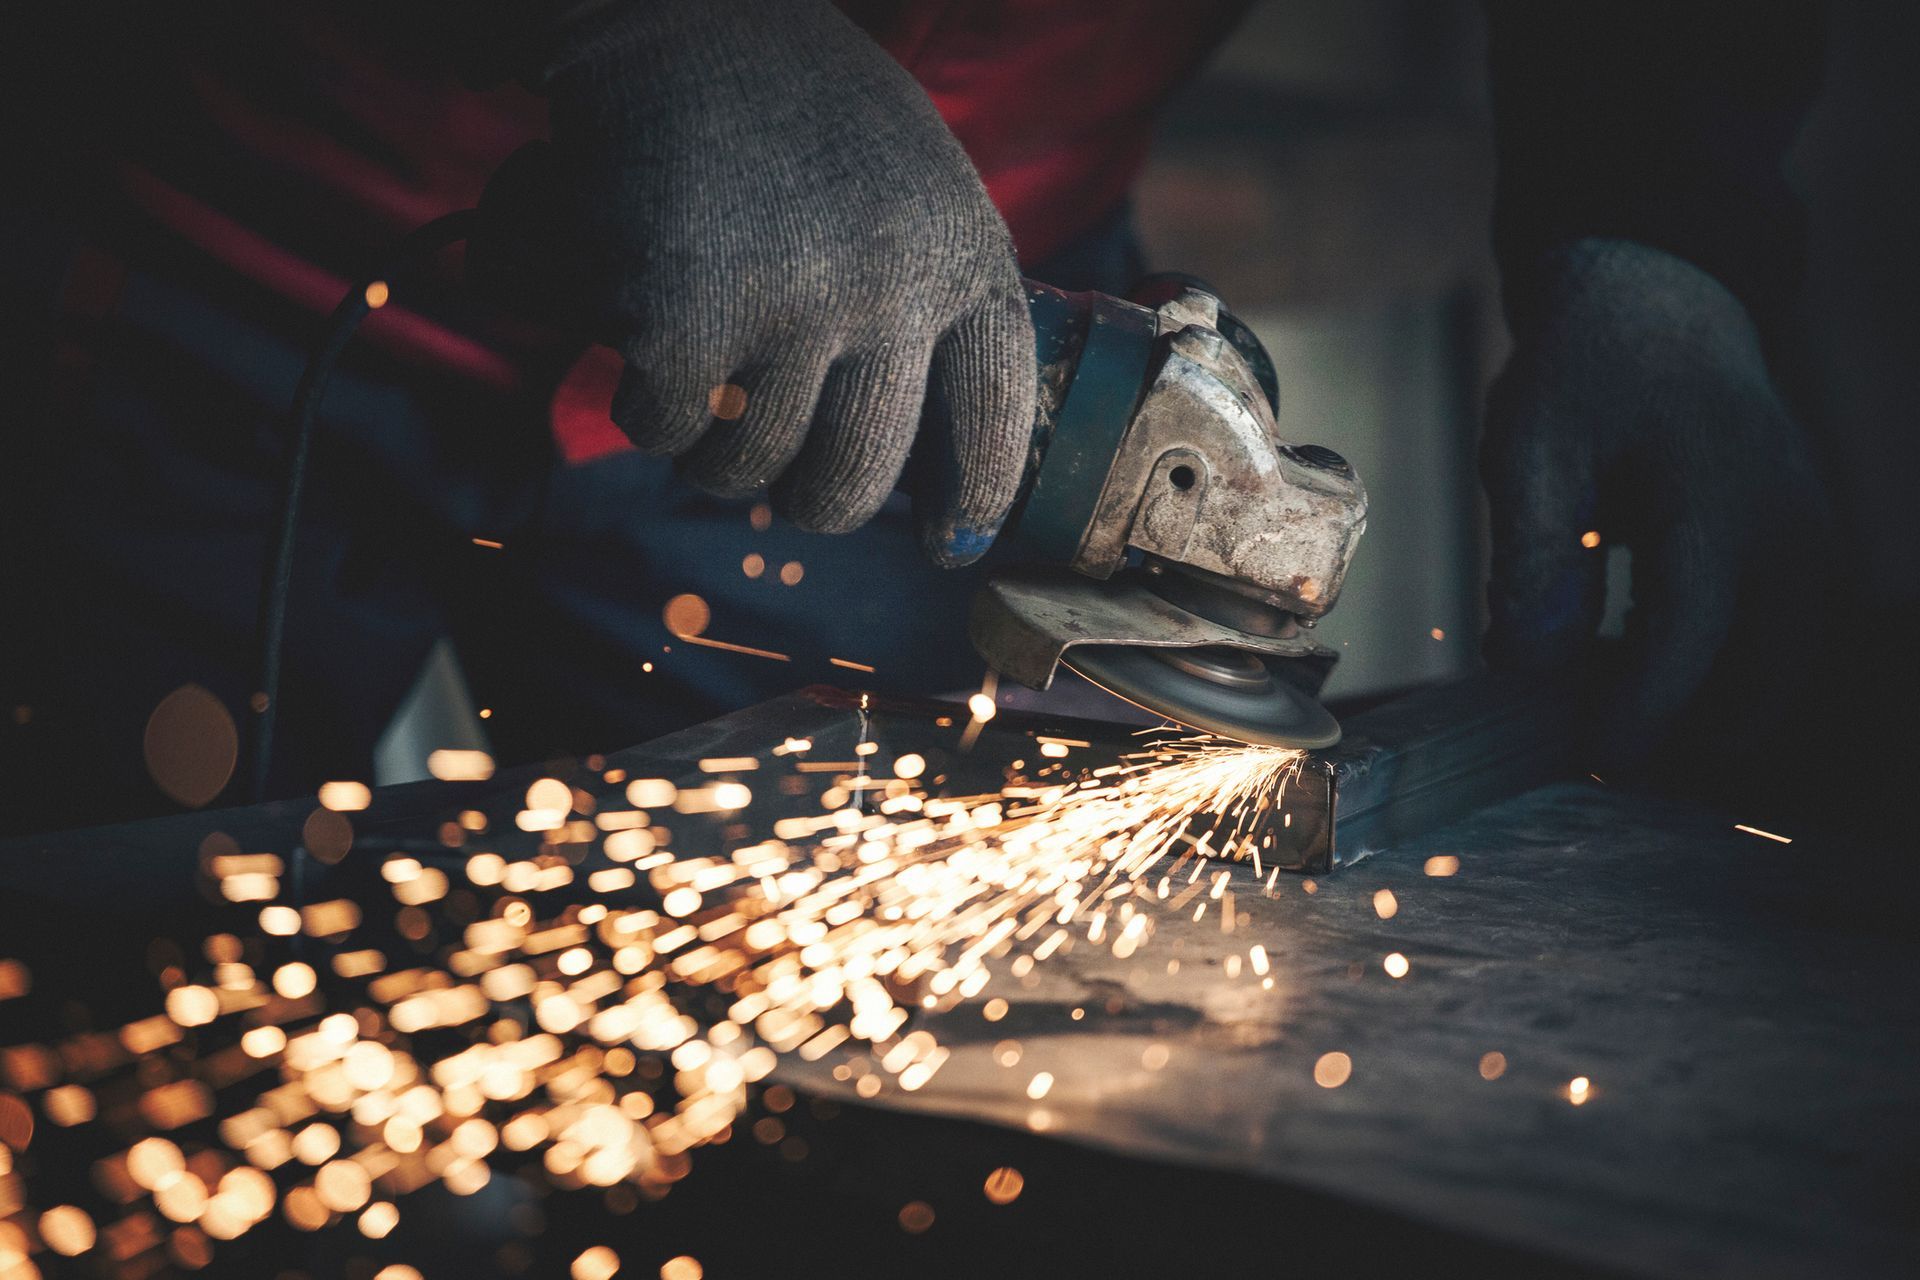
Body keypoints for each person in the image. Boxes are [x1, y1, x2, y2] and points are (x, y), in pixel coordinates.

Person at [0, 0, 1832, 833]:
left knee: (855, 1026)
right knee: (86, 969)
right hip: (235, 245)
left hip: (914, 348)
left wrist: (1658, 227)